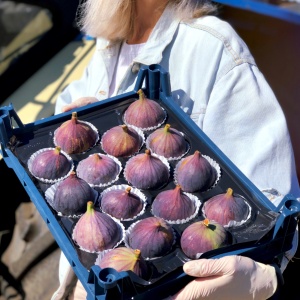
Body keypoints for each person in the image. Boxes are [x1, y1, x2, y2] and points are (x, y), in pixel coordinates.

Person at [51, 0, 300, 299]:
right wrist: (77, 118)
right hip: (93, 275)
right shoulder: (112, 37)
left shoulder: (212, 47)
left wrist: (262, 274)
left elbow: (274, 205)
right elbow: (74, 100)